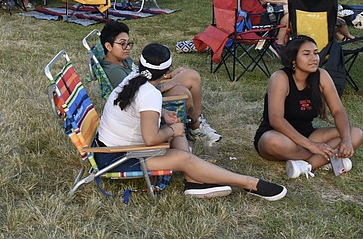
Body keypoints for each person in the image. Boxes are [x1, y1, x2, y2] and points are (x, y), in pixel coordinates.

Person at [96, 42, 287, 200]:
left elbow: (134, 106)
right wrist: (173, 130)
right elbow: (151, 139)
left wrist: (162, 113)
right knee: (182, 150)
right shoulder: (149, 93)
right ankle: (249, 183)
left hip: (111, 146)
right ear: (167, 71)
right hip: (118, 159)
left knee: (177, 135)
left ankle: (195, 181)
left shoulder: (134, 78)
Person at [254, 36, 363, 179]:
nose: (314, 58)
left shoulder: (322, 75)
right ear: (293, 59)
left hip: (309, 134)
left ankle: (307, 166)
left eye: (316, 53)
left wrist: (346, 140)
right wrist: (311, 145)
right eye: (306, 54)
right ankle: (330, 158)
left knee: (356, 134)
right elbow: (276, 119)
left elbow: (338, 111)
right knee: (271, 141)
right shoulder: (280, 77)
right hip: (280, 135)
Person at [99, 21, 221, 144]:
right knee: (186, 86)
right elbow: (134, 95)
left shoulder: (123, 59)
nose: (128, 47)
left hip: (150, 86)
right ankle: (196, 127)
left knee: (190, 75)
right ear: (108, 46)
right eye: (122, 44)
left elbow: (144, 76)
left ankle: (197, 122)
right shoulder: (114, 71)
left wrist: (167, 76)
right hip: (147, 97)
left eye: (128, 43)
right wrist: (164, 85)